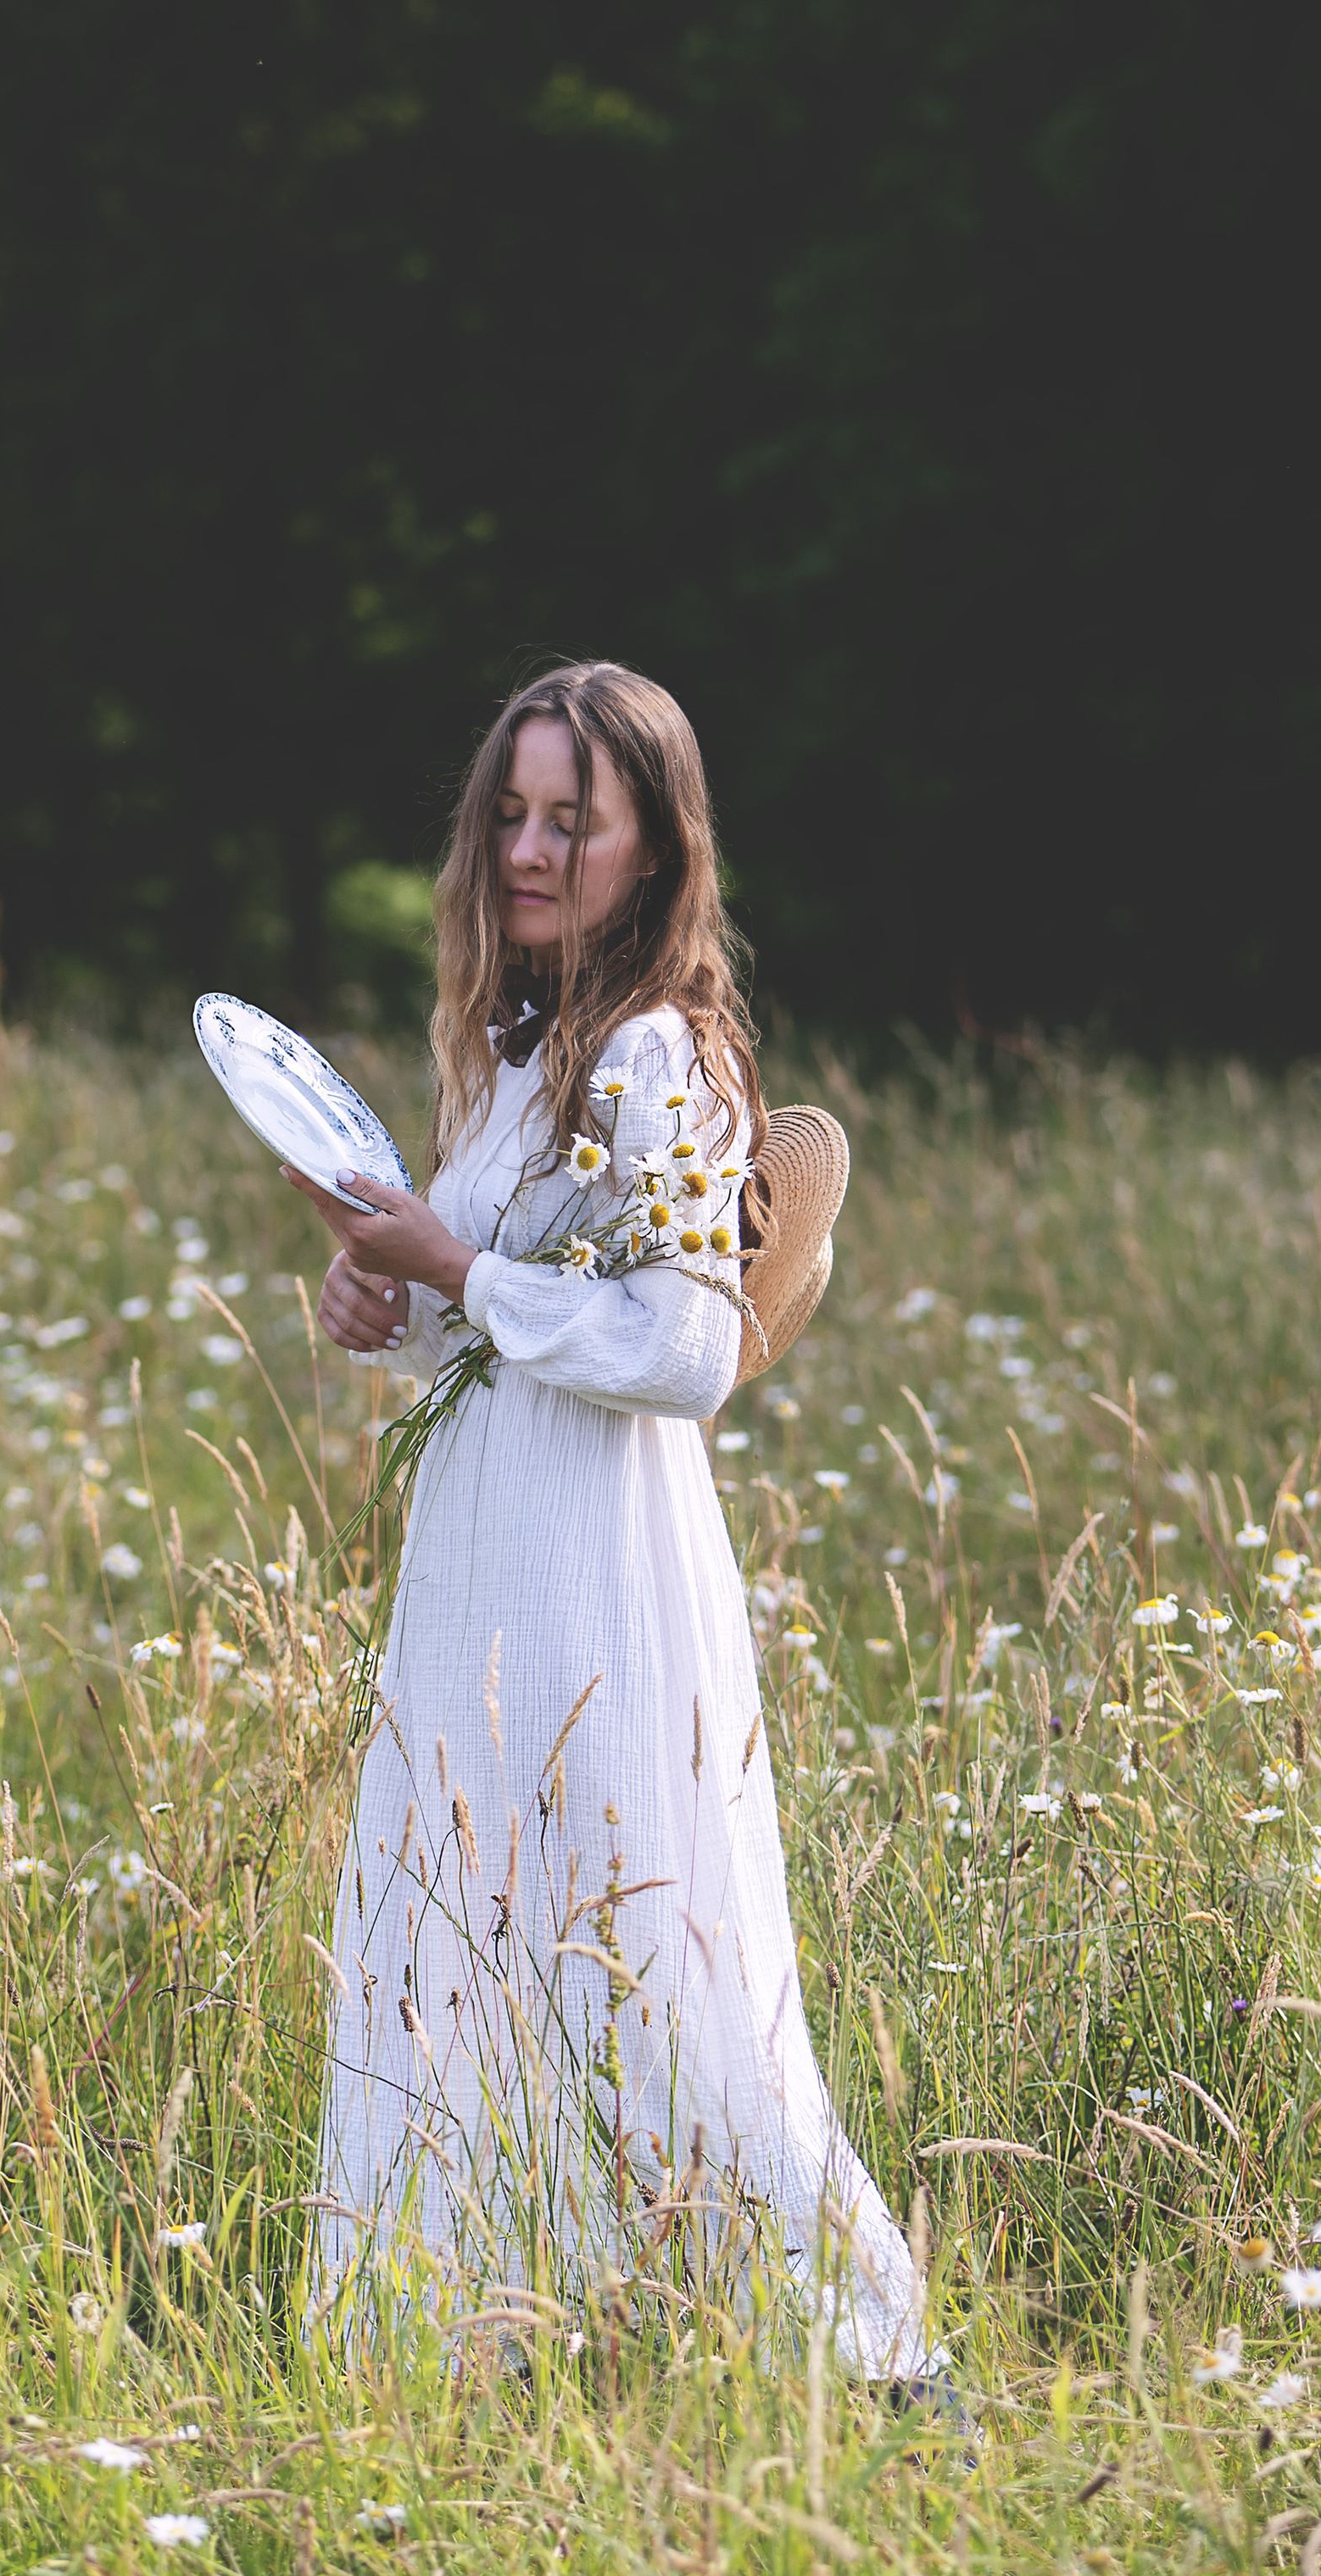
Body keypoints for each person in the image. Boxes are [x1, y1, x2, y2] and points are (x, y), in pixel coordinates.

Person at [283, 659, 940, 2387]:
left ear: (651, 844)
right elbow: (474, 1320)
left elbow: (684, 1348)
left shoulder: (655, 1053)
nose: (526, 846)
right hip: (485, 1549)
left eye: (570, 816)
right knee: (467, 1925)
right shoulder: (511, 1056)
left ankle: (865, 2356)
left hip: (601, 1555)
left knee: (645, 1930)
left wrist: (460, 1272)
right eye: (508, 811)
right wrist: (379, 1302)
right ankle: (492, 2335)